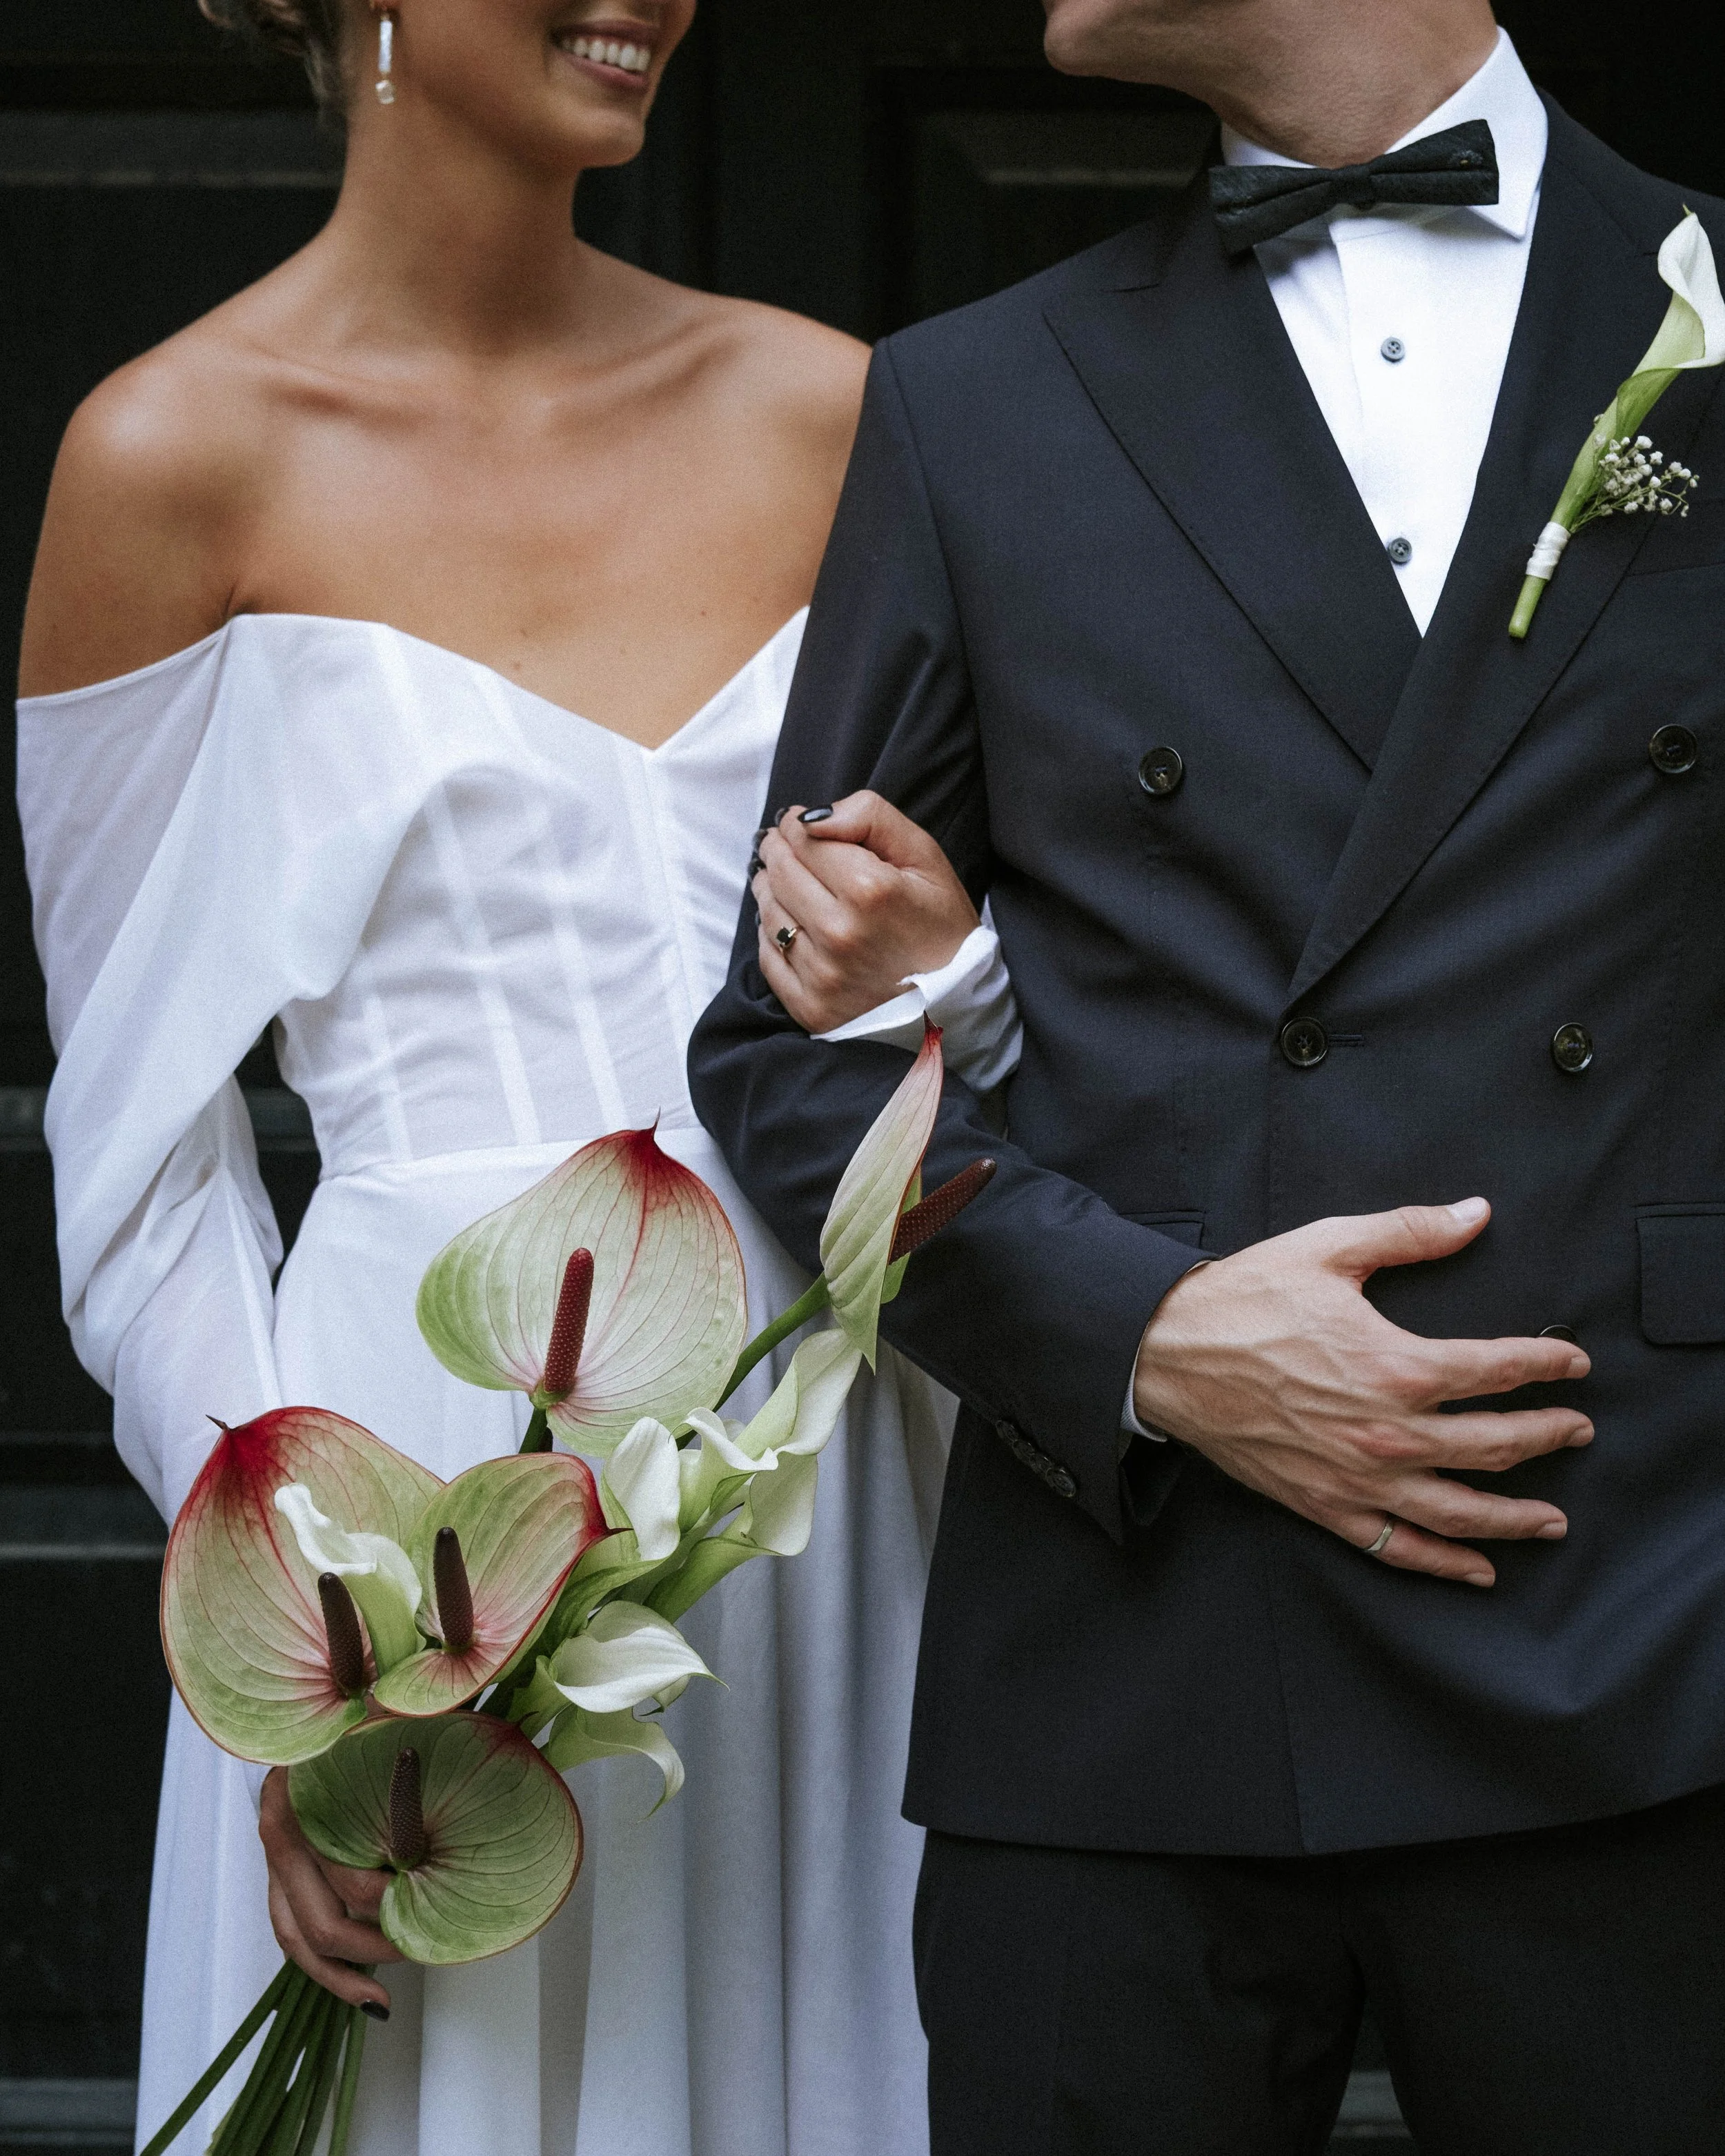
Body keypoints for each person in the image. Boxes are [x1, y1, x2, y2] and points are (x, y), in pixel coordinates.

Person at [689, 2, 1725, 2150]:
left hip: (1645, 1622)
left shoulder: (1705, 316)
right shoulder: (976, 404)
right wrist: (1148, 1334)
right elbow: (778, 1066)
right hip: (1126, 1659)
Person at [14, 2, 1007, 2149]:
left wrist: (951, 966)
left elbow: (1000, 980)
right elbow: (140, 1173)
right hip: (412, 1508)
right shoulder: (168, 461)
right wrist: (303, 1647)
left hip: (824, 1474)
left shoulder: (837, 413)